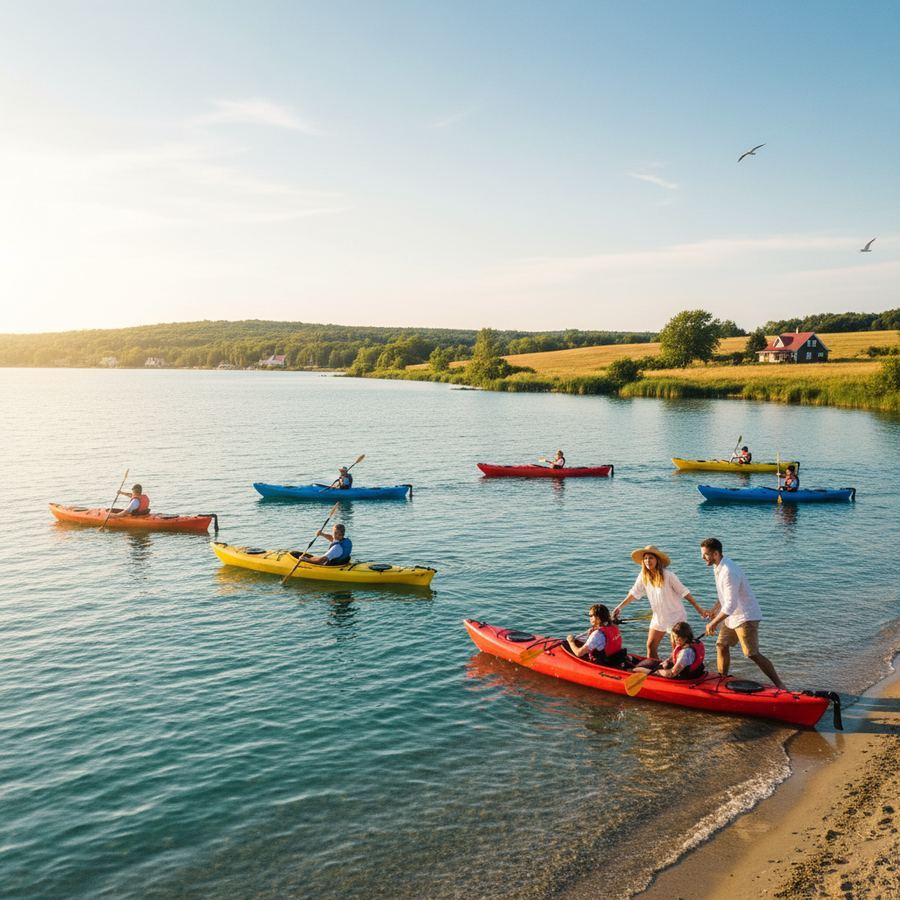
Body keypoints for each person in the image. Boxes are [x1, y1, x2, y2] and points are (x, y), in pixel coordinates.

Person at [700, 537, 786, 690]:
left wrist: (713, 623)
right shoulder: (718, 567)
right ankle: (722, 679)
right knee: (721, 645)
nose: (702, 557)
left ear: (715, 554)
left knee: (752, 654)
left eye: (705, 554)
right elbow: (726, 596)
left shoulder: (728, 571)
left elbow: (731, 605)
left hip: (745, 616)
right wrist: (714, 610)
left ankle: (780, 684)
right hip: (732, 616)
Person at [613, 546, 710, 659]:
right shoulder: (643, 576)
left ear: (657, 560)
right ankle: (655, 671)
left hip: (676, 617)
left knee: (676, 649)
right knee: (650, 646)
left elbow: (685, 593)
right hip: (658, 617)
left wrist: (699, 609)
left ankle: (676, 672)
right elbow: (634, 593)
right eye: (645, 558)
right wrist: (619, 607)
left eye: (651, 558)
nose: (648, 561)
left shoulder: (669, 576)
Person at [630, 622, 706, 679]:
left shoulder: (685, 653)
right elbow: (678, 656)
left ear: (683, 638)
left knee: (638, 669)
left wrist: (654, 672)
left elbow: (672, 674)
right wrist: (668, 660)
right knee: (650, 662)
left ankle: (632, 670)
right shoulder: (692, 642)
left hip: (684, 676)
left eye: (675, 637)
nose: (674, 640)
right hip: (696, 672)